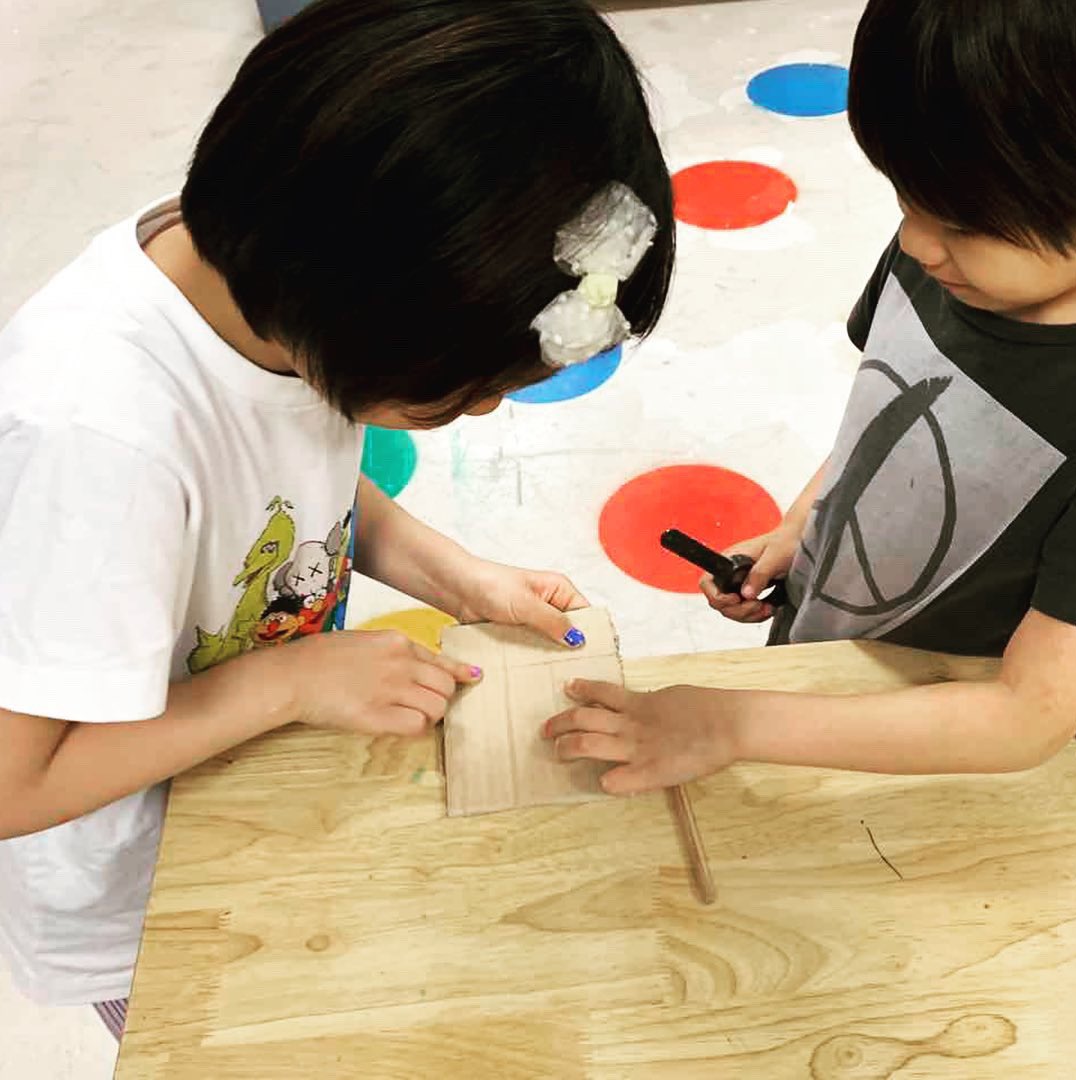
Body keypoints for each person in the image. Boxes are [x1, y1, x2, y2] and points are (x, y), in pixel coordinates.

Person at [0, 0, 674, 1038]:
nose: (485, 410)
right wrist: (283, 682)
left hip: (246, 771)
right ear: (360, 306)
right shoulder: (100, 438)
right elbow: (15, 783)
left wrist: (461, 580)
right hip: (143, 890)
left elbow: (280, 479)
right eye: (458, 393)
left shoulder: (271, 281)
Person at [545, 0, 1076, 795]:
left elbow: (1029, 714)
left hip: (930, 749)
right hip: (827, 660)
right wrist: (799, 530)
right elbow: (888, 423)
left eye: (964, 221)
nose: (914, 241)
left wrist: (733, 723)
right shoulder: (944, 267)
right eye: (905, 195)